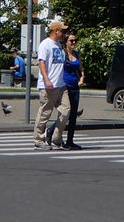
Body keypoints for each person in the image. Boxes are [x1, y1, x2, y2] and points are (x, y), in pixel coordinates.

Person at [33, 20, 67, 149]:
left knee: (66, 111)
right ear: (56, 31)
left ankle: (56, 138)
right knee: (45, 113)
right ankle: (39, 139)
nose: (63, 33)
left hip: (61, 85)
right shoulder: (45, 45)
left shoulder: (58, 45)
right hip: (48, 85)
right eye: (62, 31)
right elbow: (41, 63)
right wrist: (47, 80)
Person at [60, 30, 85, 150]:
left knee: (73, 115)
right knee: (65, 113)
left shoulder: (76, 54)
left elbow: (81, 69)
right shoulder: (62, 54)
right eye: (71, 40)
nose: (74, 42)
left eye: (75, 40)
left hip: (75, 86)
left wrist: (82, 78)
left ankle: (70, 140)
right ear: (66, 42)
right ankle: (52, 132)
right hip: (65, 86)